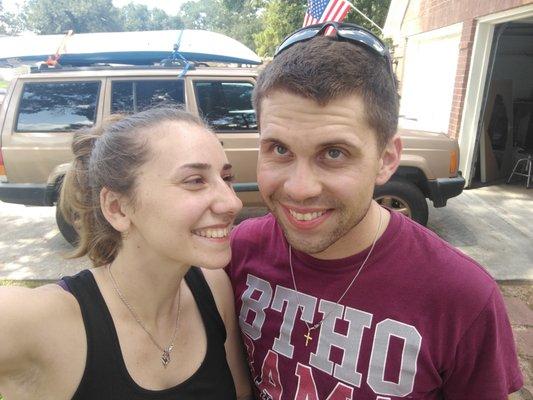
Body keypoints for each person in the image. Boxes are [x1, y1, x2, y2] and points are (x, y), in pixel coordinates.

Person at [227, 22, 523, 399]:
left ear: (386, 159)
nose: (299, 189)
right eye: (279, 149)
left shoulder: (462, 298)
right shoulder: (238, 252)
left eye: (334, 153)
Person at [0, 107, 251, 399]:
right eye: (195, 180)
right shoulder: (36, 319)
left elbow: (240, 394)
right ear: (117, 208)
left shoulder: (212, 287)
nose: (232, 202)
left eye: (227, 178)